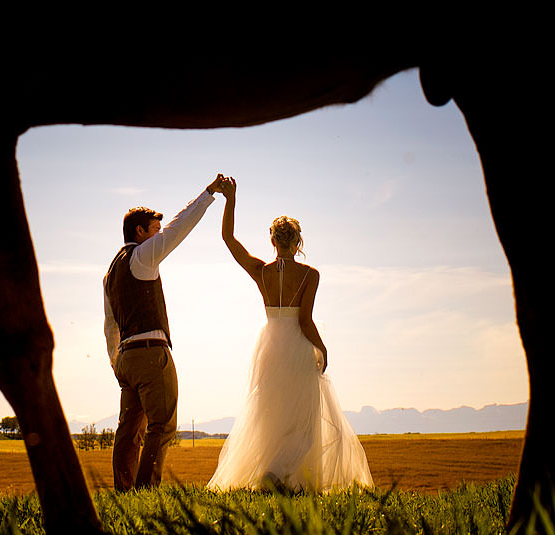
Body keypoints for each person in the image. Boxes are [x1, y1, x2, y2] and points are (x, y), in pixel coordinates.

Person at [207, 180, 373, 492]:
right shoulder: (311, 275)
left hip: (270, 346)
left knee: (271, 415)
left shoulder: (261, 271)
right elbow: (305, 320)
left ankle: (280, 477)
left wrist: (231, 198)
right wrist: (322, 348)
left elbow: (228, 238)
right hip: (296, 345)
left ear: (273, 241)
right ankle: (276, 473)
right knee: (304, 421)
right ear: (297, 242)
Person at [104, 173, 233, 490]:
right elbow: (179, 228)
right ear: (140, 232)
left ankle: (124, 491)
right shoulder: (142, 256)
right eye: (154, 231)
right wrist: (208, 193)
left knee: (129, 430)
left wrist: (116, 363)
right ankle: (146, 489)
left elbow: (110, 324)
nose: (159, 235)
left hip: (126, 358)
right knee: (162, 425)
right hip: (150, 353)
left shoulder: (109, 272)